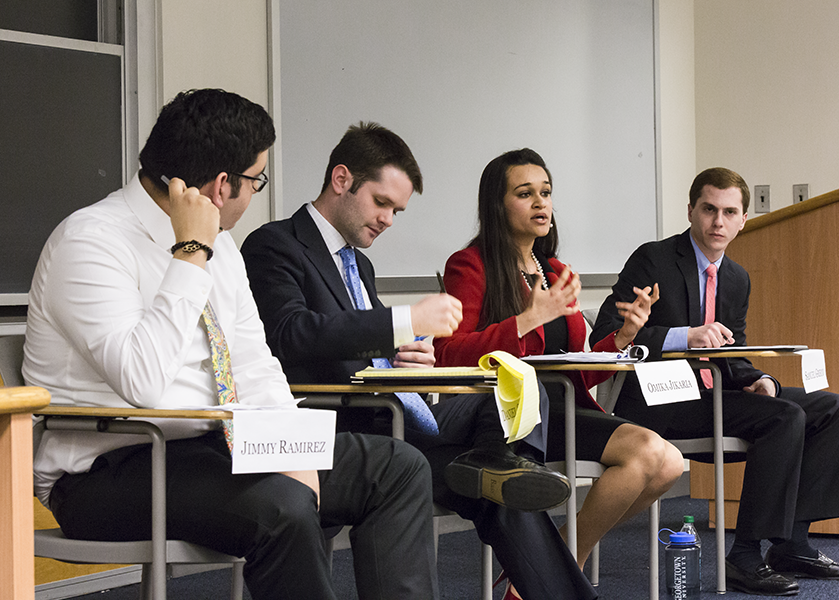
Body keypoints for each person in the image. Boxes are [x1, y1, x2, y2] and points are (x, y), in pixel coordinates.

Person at [24, 89, 440, 600]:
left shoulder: (223, 248)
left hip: (219, 447)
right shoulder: (90, 241)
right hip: (111, 467)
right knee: (283, 509)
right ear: (224, 185)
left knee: (397, 468)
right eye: (256, 180)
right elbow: (142, 382)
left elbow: (252, 361)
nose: (255, 194)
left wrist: (293, 445)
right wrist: (191, 253)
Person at [241, 124, 597, 600]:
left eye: (397, 210)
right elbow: (291, 334)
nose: (388, 220)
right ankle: (500, 469)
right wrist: (399, 324)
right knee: (500, 494)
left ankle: (500, 463)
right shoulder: (275, 245)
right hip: (342, 426)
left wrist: (401, 358)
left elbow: (359, 344)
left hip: (394, 413)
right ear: (342, 179)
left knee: (518, 396)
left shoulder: (358, 263)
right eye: (382, 203)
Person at [590, 166, 839, 595]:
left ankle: (794, 543)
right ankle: (746, 556)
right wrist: (683, 336)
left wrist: (760, 380)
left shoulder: (735, 277)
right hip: (660, 401)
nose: (718, 222)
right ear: (691, 211)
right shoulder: (654, 259)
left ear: (743, 220)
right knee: (783, 418)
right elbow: (606, 331)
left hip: (714, 394)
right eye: (709, 209)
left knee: (834, 409)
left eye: (729, 212)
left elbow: (733, 352)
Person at [432, 148, 684, 597]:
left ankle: (552, 568)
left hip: (564, 408)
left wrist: (623, 337)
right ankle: (553, 577)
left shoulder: (556, 272)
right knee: (649, 454)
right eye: (525, 193)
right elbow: (449, 352)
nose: (541, 203)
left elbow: (577, 370)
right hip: (512, 418)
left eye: (545, 193)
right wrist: (525, 321)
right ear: (497, 204)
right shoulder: (470, 265)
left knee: (669, 463)